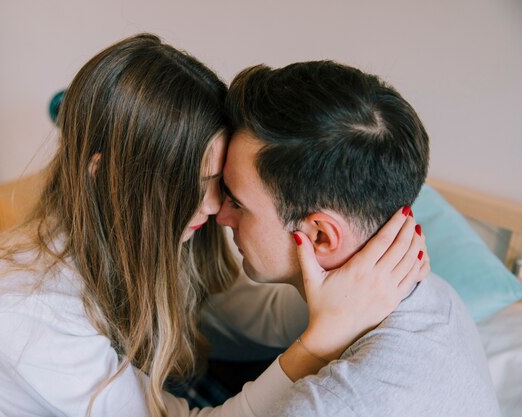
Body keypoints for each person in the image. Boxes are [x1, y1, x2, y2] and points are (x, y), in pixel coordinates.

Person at [0, 35, 425, 417]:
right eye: (197, 180)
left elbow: (239, 313)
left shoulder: (165, 228)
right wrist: (315, 346)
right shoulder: (26, 311)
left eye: (218, 178)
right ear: (105, 175)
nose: (219, 207)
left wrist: (339, 288)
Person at [204, 60, 501, 416]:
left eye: (237, 201)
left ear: (320, 236)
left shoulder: (330, 403)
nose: (221, 215)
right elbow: (246, 318)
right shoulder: (436, 295)